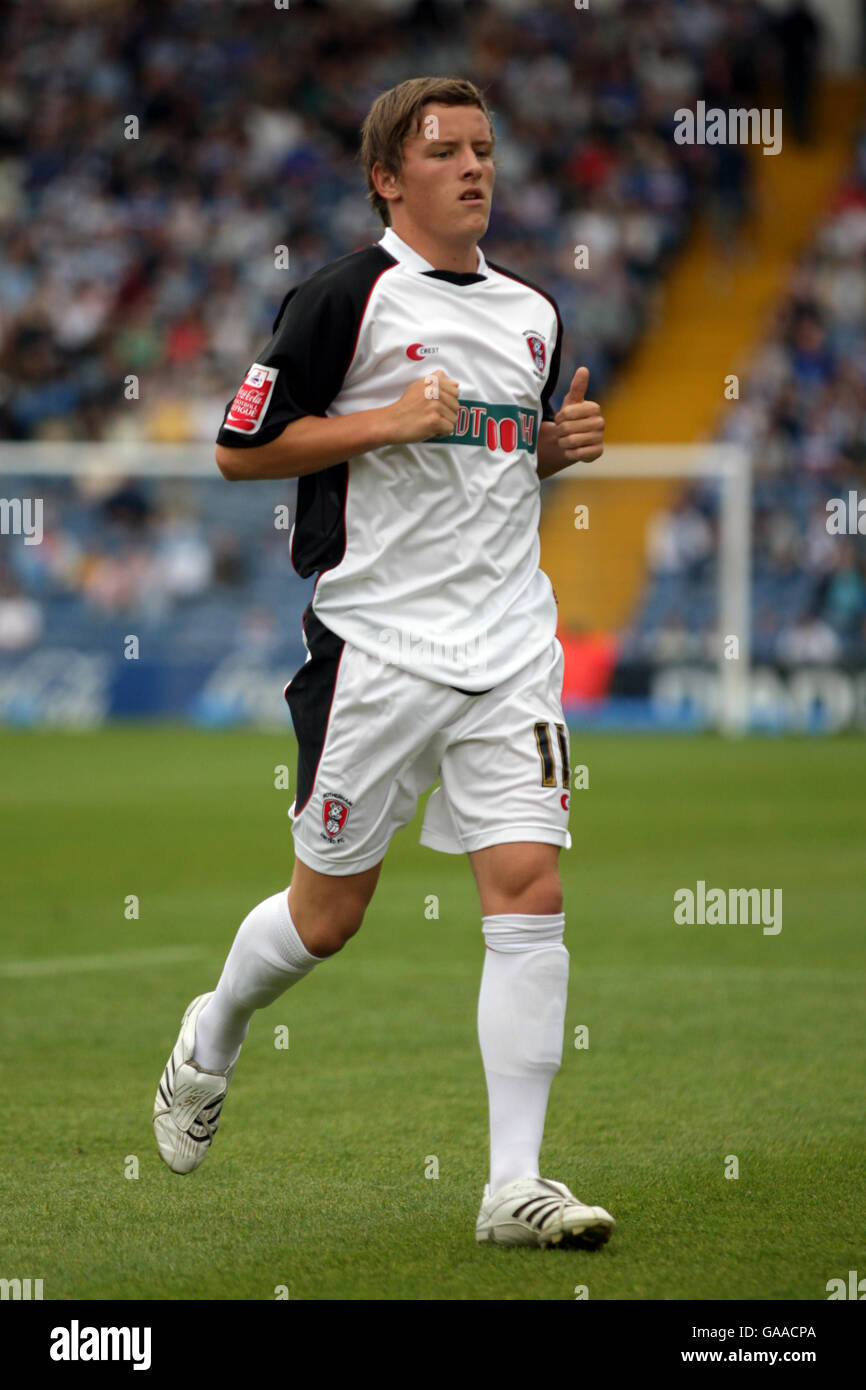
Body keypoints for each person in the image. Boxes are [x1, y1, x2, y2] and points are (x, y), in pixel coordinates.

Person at [153, 76, 613, 1250]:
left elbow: (489, 473)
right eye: (445, 150)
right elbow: (238, 449)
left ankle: (513, 1186)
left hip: (510, 647)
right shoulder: (340, 297)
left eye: (484, 148)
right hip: (378, 649)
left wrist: (550, 451)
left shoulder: (533, 314)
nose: (473, 166)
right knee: (326, 916)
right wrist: (384, 421)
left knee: (529, 890)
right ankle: (211, 1033)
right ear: (386, 176)